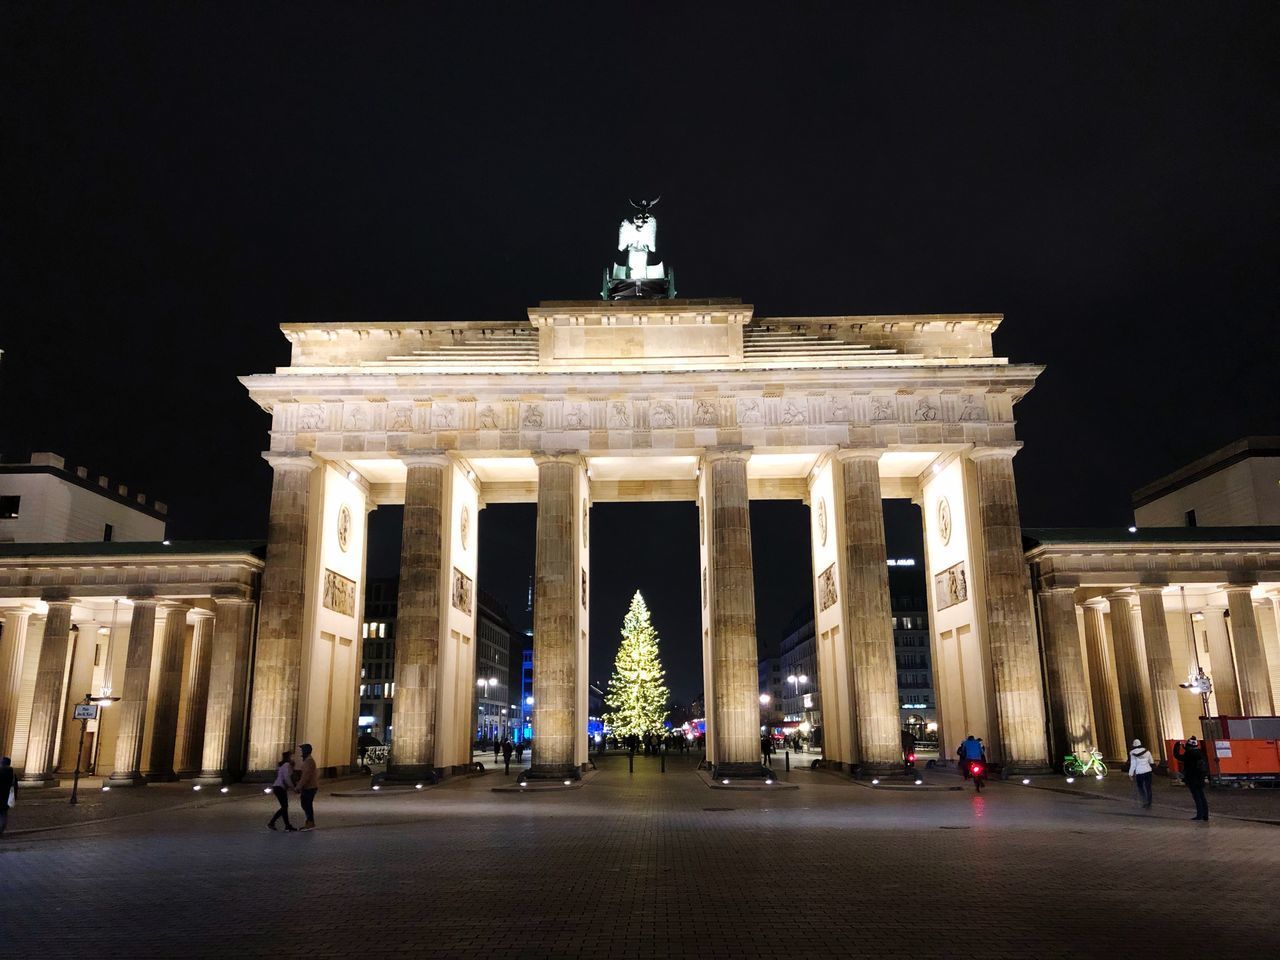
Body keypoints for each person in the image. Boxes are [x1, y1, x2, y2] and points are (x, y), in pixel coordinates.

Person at [1173, 736, 1210, 821]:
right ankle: (1205, 815)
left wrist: (1177, 746)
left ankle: (1199, 814)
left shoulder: (1189, 754)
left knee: (1197, 797)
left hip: (1192, 778)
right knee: (1202, 796)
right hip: (1200, 778)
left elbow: (1177, 756)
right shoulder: (1200, 753)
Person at [267, 751, 297, 832]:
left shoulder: (282, 765)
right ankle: (273, 823)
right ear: (289, 757)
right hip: (280, 787)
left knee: (284, 807)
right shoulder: (286, 765)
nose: (293, 758)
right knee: (284, 807)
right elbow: (287, 778)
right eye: (292, 756)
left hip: (277, 787)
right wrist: (293, 788)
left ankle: (285, 825)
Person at [296, 743, 319, 831]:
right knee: (305, 804)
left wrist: (299, 786)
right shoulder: (307, 760)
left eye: (302, 750)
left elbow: (306, 775)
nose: (301, 751)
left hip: (310, 787)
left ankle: (310, 822)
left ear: (306, 751)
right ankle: (309, 821)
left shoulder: (309, 761)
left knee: (307, 804)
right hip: (308, 786)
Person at [1128, 738, 1155, 808]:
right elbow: (1151, 761)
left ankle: (1144, 801)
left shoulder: (1132, 753)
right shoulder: (1147, 751)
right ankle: (1149, 801)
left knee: (1140, 787)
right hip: (1148, 771)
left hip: (1139, 772)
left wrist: (1130, 774)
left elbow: (1133, 764)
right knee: (1148, 787)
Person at [0, 756, 16, 836]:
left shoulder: (1, 772)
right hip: (7, 797)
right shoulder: (13, 774)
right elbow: (15, 787)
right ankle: (1, 830)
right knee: (3, 814)